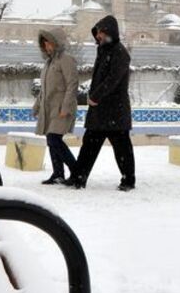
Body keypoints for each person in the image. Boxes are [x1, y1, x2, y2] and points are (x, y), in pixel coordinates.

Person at [67, 15, 136, 191]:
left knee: (122, 149)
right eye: (97, 33)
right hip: (100, 111)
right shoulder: (103, 50)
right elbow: (100, 79)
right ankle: (78, 178)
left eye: (100, 32)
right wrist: (94, 96)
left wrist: (95, 96)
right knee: (89, 146)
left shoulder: (120, 53)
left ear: (109, 32)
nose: (98, 36)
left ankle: (128, 181)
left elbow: (112, 80)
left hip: (115, 111)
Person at [32, 28, 79, 184]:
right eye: (44, 44)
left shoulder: (66, 59)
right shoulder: (48, 63)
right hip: (49, 108)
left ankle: (77, 171)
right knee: (51, 139)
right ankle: (58, 174)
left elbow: (72, 84)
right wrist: (37, 106)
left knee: (54, 139)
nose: (47, 46)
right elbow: (44, 89)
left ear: (56, 42)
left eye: (49, 43)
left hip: (61, 108)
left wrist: (66, 107)